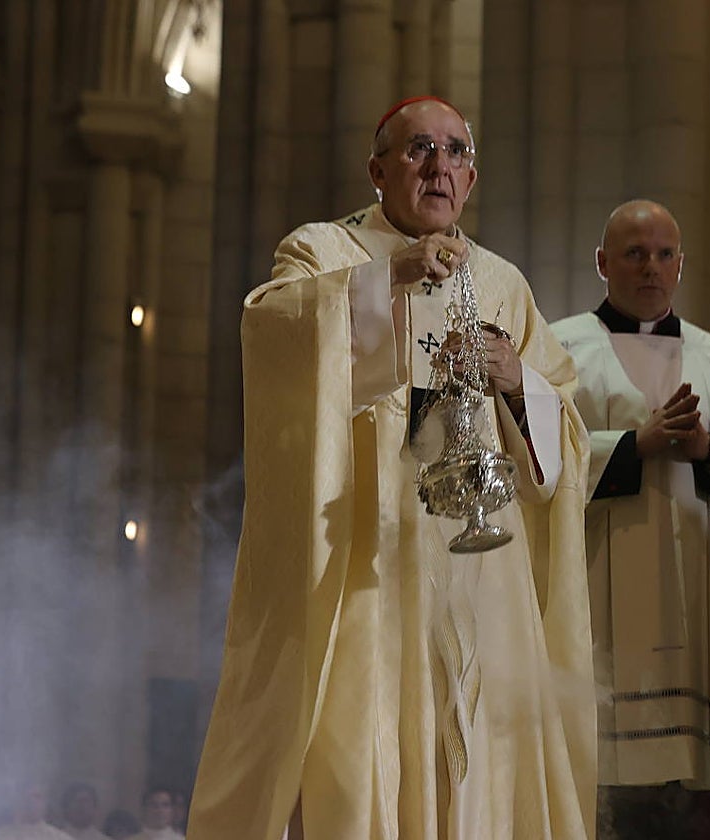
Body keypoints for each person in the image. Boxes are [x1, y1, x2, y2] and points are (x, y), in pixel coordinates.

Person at [188, 96, 596, 839]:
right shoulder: (325, 251)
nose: (439, 166)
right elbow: (275, 339)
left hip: (482, 559)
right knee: (359, 757)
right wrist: (387, 284)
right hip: (367, 563)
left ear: (472, 177)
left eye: (455, 153)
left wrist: (515, 378)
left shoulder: (504, 283)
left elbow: (563, 445)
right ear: (378, 171)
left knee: (482, 771)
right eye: (418, 150)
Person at [551, 199, 710, 837]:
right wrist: (635, 446)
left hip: (698, 629)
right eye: (635, 254)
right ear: (603, 262)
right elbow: (533, 464)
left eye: (664, 255)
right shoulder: (557, 352)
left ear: (681, 266)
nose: (651, 268)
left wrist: (708, 452)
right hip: (595, 622)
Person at [0, 788, 71, 840]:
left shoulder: (60, 838)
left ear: (45, 802)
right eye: (26, 797)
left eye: (37, 797)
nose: (32, 802)